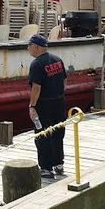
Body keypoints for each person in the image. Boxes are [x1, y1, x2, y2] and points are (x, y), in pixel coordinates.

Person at [27, 34, 66, 178]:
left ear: (36, 46)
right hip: (59, 101)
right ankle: (58, 163)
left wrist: (32, 106)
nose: (28, 49)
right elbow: (64, 83)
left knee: (42, 134)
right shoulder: (57, 60)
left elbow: (36, 88)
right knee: (58, 132)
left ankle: (46, 167)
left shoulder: (36, 64)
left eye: (29, 46)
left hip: (44, 104)